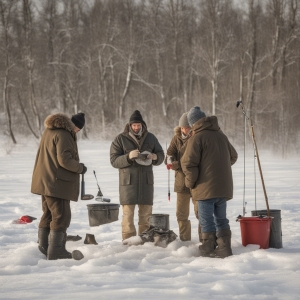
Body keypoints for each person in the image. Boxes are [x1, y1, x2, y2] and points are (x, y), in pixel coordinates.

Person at [181, 106, 238, 258]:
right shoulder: (221, 135)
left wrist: (190, 182)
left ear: (193, 123)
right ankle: (225, 247)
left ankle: (208, 248)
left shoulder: (196, 138)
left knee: (206, 220)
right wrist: (219, 169)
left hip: (205, 188)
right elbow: (233, 156)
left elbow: (188, 164)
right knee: (221, 218)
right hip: (223, 187)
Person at [31, 112, 87, 260]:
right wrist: (80, 168)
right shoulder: (64, 134)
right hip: (57, 182)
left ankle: (45, 246)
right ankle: (56, 251)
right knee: (61, 216)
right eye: (77, 129)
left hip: (45, 180)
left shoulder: (50, 131)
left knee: (49, 214)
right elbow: (65, 160)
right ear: (72, 125)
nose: (77, 132)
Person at [110, 110, 164, 241]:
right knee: (128, 217)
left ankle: (144, 241)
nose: (136, 127)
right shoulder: (120, 139)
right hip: (128, 184)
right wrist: (128, 157)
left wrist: (155, 157)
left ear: (142, 124)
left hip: (146, 183)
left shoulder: (151, 138)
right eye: (134, 125)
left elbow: (161, 155)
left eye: (138, 125)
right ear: (129, 125)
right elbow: (114, 161)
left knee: (146, 216)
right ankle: (128, 242)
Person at [165, 112, 199, 241]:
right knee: (181, 214)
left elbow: (195, 160)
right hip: (181, 182)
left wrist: (178, 164)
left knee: (200, 213)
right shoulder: (176, 138)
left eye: (188, 127)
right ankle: (185, 240)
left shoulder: (197, 138)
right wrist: (170, 161)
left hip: (197, 181)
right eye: (183, 127)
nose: (185, 130)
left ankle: (205, 239)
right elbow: (169, 154)